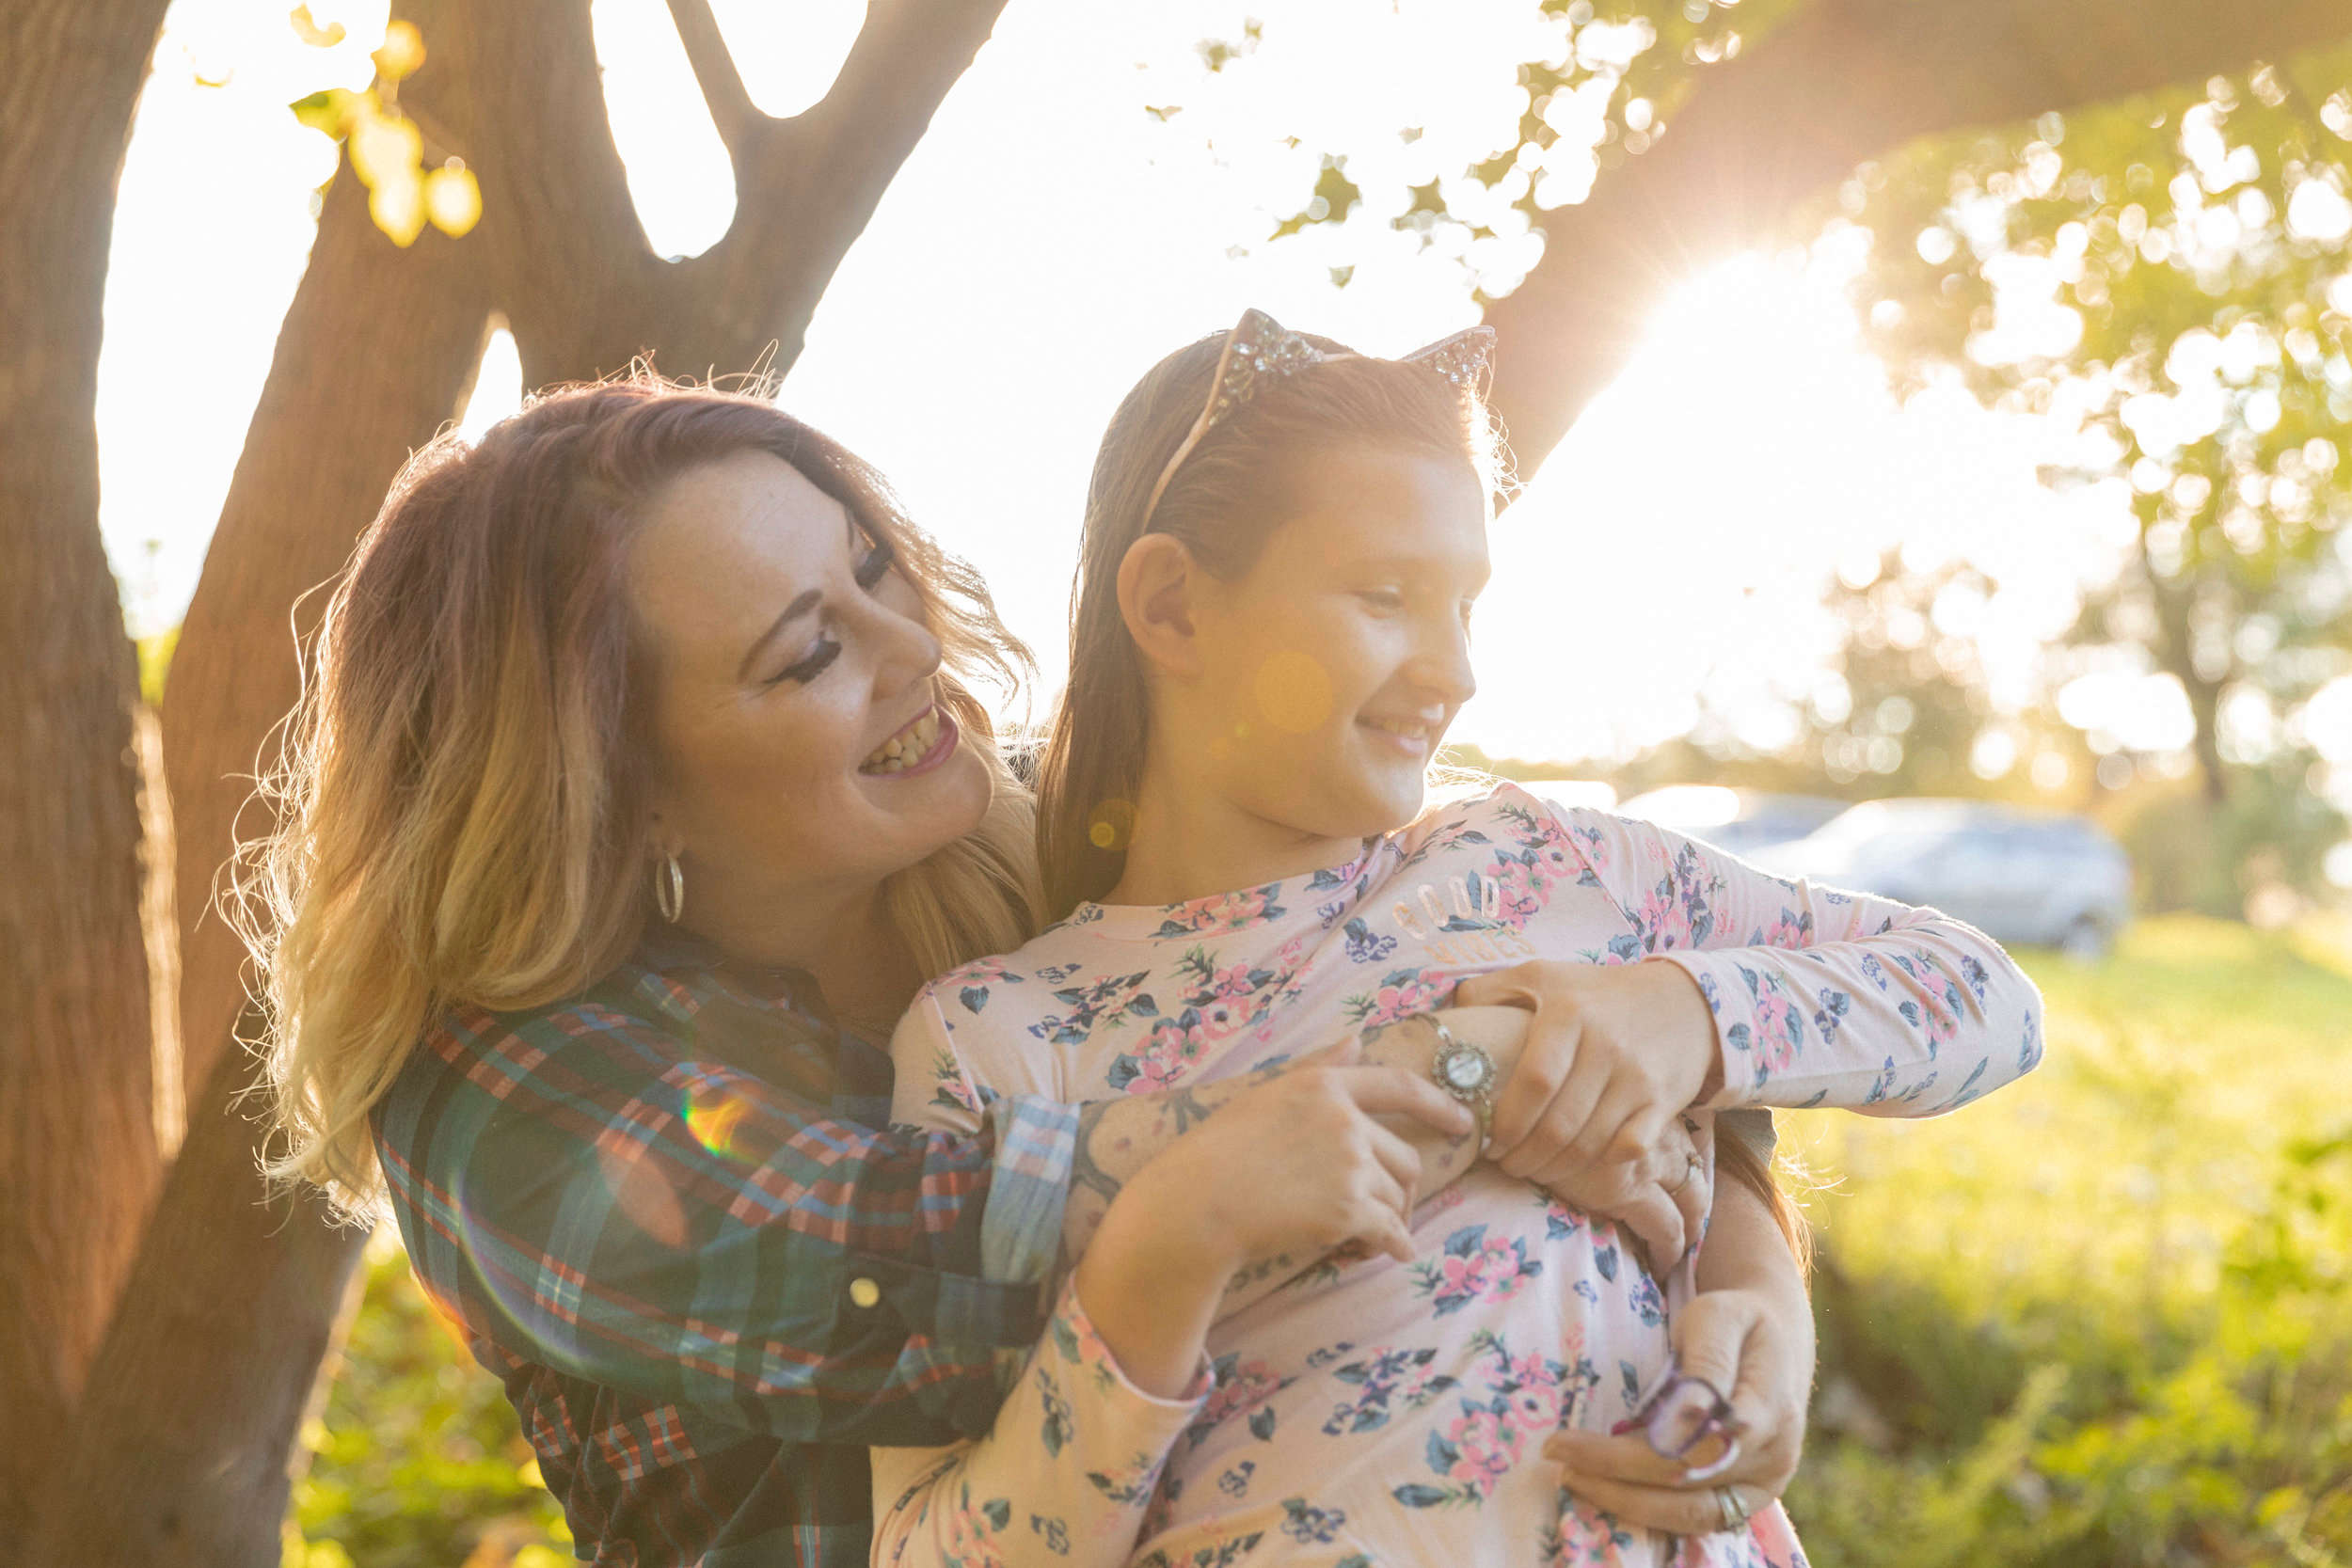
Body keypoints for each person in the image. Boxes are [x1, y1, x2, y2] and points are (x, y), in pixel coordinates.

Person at [245, 375, 1809, 1568]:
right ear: (613, 782)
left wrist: (1746, 1264)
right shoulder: (504, 1107)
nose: (913, 648)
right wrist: (1441, 1091)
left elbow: (1501, 941)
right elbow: (916, 1247)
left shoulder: (1067, 856)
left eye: (876, 570)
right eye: (807, 653)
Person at [869, 313, 2046, 1566]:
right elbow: (928, 1551)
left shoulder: (1544, 865)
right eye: (1385, 596)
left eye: (1466, 604)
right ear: (1172, 607)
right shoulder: (1003, 1036)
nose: (1456, 670)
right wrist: (1166, 1256)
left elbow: (1984, 998)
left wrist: (1678, 1020)